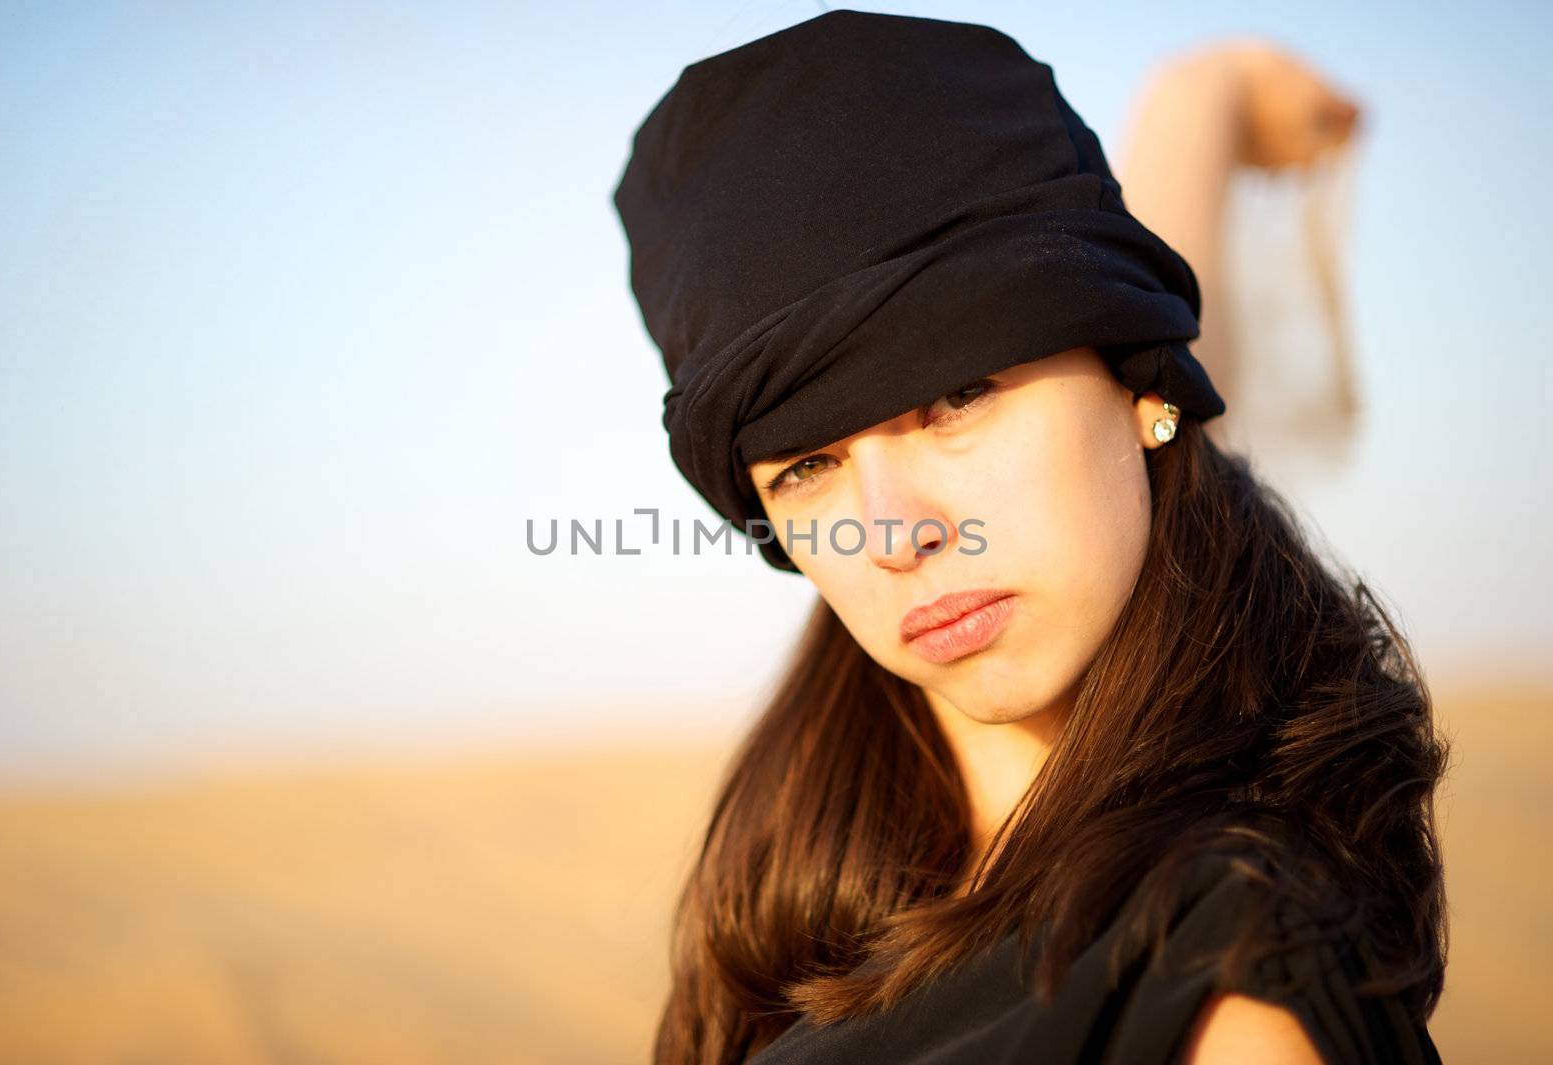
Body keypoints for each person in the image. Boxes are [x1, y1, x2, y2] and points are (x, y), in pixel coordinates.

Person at [610, 10, 1446, 1065]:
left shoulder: (1225, 990)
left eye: (956, 397)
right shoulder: (804, 898)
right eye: (808, 466)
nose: (893, 533)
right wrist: (1207, 96)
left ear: (1139, 377)